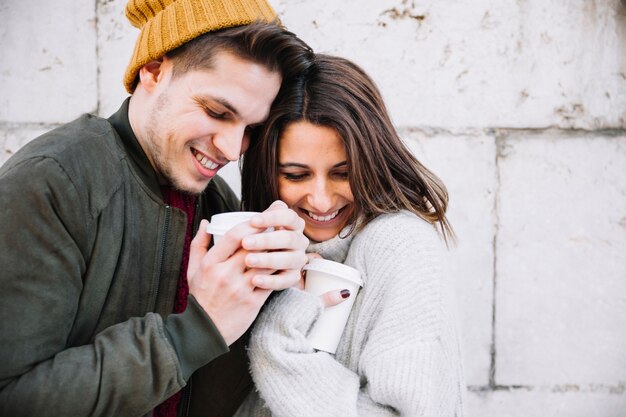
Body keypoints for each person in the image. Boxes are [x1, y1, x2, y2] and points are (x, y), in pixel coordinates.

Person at [0, 1, 315, 416]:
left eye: (250, 128)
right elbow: (15, 398)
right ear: (152, 70)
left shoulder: (216, 202)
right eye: (217, 112)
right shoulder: (54, 182)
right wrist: (196, 330)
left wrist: (284, 283)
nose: (232, 148)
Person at [236, 54, 466, 416]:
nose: (322, 199)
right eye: (296, 175)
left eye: (343, 173)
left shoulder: (399, 246)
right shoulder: (266, 244)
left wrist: (277, 346)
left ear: (372, 160)